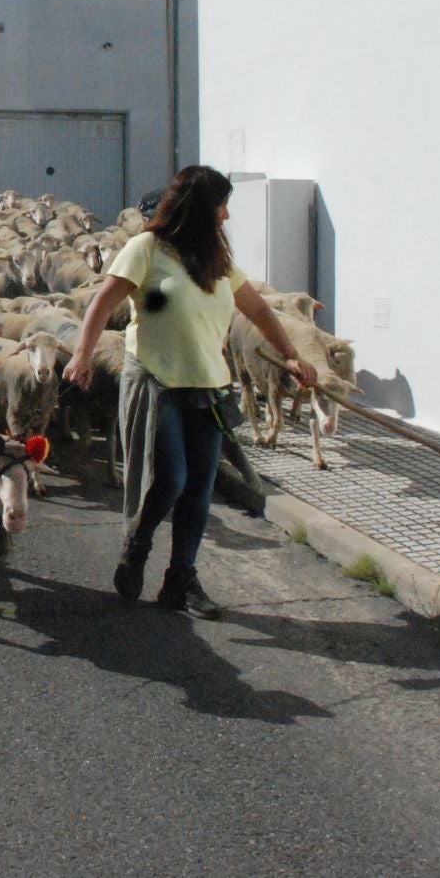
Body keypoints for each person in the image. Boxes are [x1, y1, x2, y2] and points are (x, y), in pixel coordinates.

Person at [64, 165, 315, 618]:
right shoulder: (146, 248)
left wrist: (292, 355)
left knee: (200, 488)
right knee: (172, 478)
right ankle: (137, 545)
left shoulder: (216, 259)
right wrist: (81, 356)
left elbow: (256, 308)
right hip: (157, 381)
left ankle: (180, 580)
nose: (226, 216)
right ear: (201, 208)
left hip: (209, 386)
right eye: (222, 206)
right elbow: (103, 302)